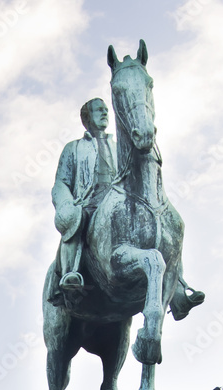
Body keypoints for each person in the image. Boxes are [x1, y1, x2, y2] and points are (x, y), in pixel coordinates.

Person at [49, 97, 204, 319]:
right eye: (98, 110)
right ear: (87, 118)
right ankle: (70, 275)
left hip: (119, 202)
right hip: (89, 202)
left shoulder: (118, 146)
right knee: (77, 219)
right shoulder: (74, 148)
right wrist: (65, 204)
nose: (104, 113)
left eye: (105, 110)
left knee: (169, 224)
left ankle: (177, 289)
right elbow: (61, 183)